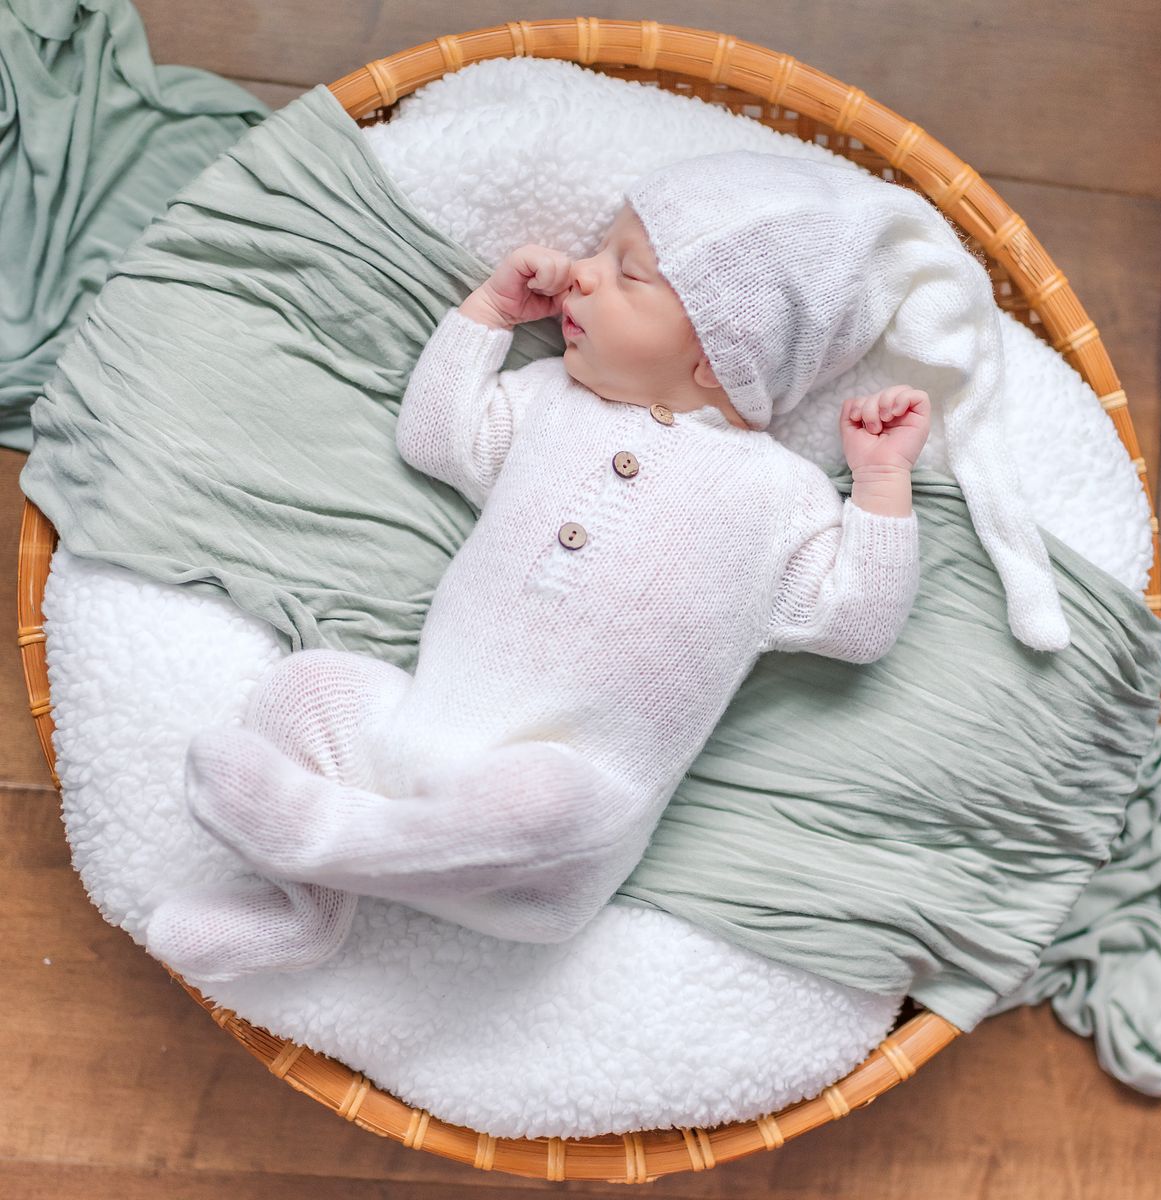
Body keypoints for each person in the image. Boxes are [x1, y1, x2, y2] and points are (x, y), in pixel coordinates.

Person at [147, 150, 1042, 987]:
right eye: (601, 250)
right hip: (407, 745)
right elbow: (434, 436)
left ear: (721, 352)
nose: (582, 271)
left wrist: (881, 483)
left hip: (544, 854)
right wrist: (488, 315)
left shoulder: (782, 497)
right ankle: (310, 908)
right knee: (303, 691)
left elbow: (857, 623)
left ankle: (316, 838)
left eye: (629, 270)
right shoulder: (550, 403)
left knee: (547, 794)